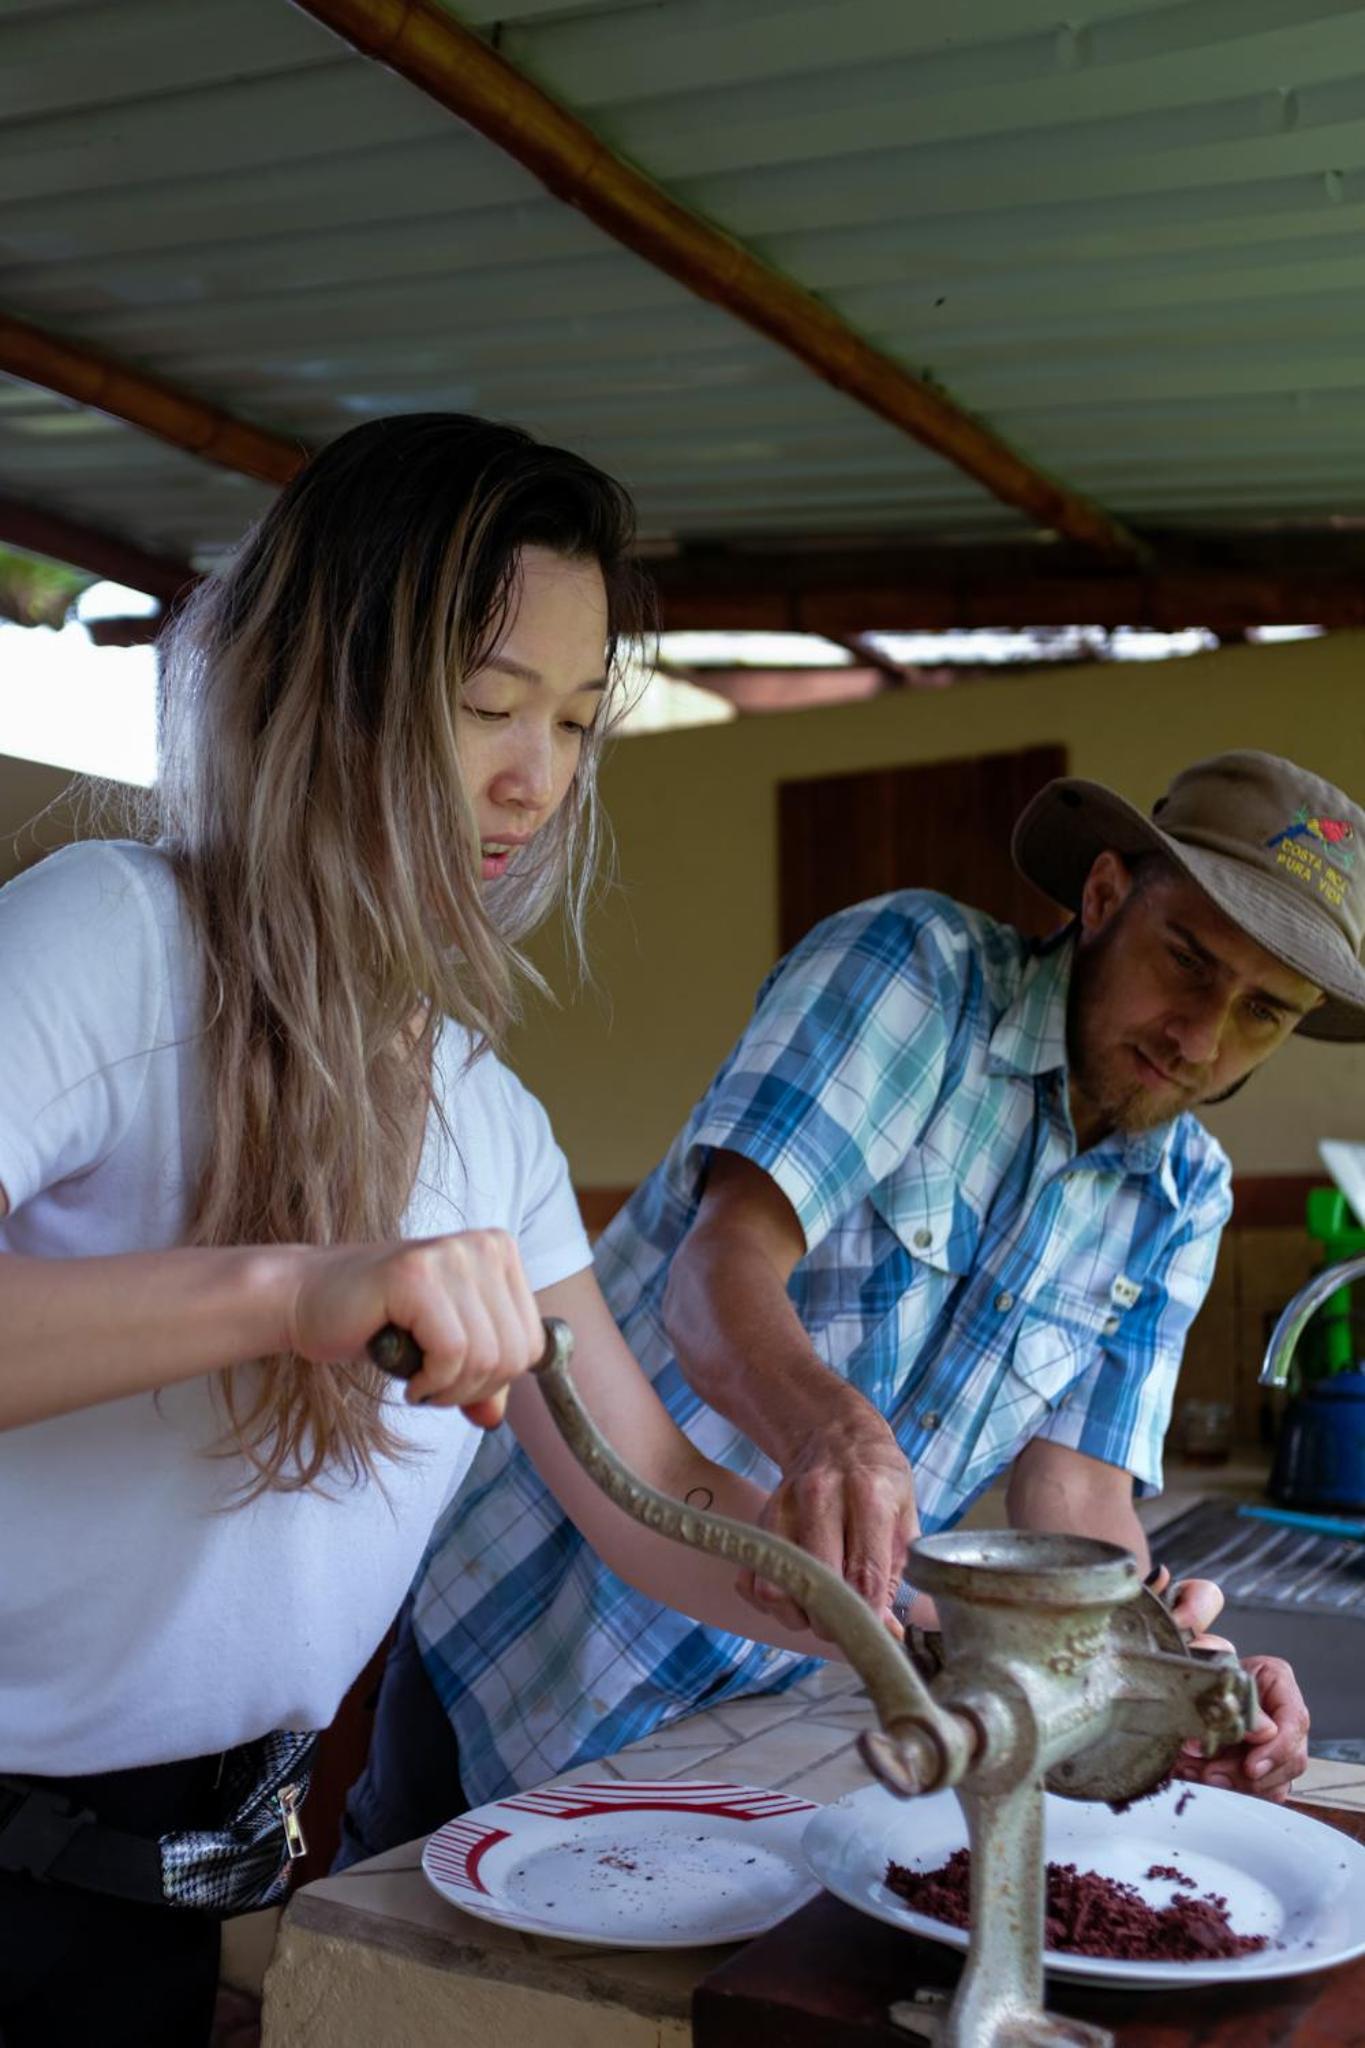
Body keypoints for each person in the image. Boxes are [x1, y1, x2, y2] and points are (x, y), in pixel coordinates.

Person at [0, 413, 853, 2048]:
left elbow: (652, 1491)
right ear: (328, 683)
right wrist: (298, 1287)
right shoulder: (108, 939)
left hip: (184, 1888)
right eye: (485, 704)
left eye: (576, 720)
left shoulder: (489, 1123)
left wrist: (927, 1613)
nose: (537, 776)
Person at [347, 748, 1348, 1855]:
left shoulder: (1183, 1192)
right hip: (536, 1632)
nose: (1202, 1036)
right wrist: (834, 1431)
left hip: (764, 1683)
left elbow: (1077, 1494)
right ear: (1106, 895)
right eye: (1187, 961)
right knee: (393, 1929)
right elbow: (717, 1270)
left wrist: (1167, 1670)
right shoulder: (916, 973)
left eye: (1264, 1011)